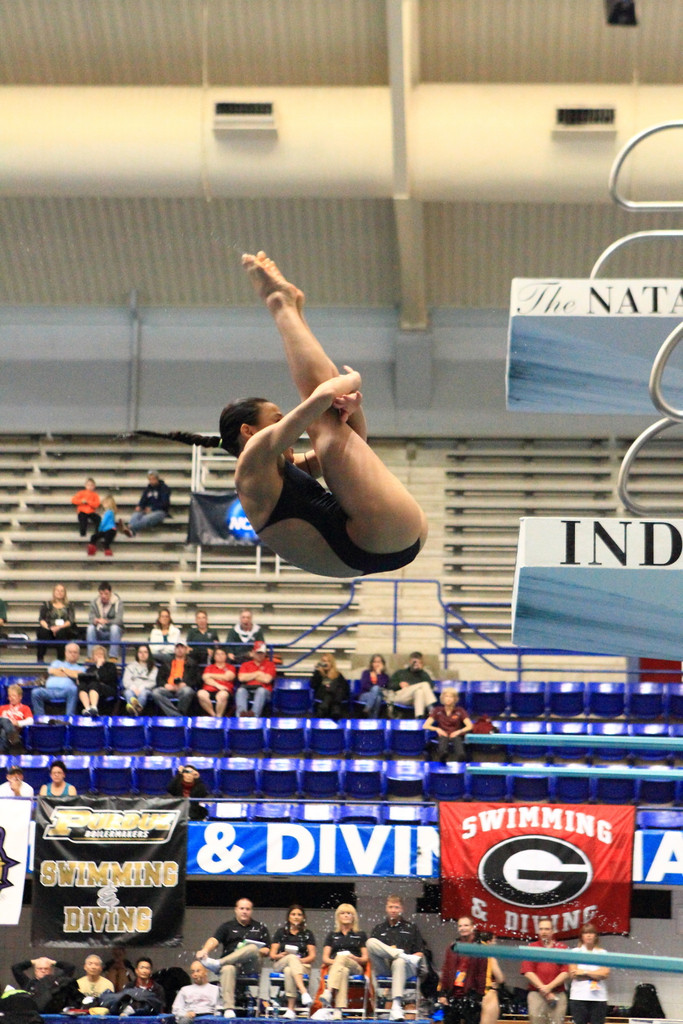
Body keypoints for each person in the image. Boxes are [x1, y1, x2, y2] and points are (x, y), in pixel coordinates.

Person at [136, 250, 427, 578]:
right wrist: (354, 381)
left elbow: (354, 440)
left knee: (331, 422)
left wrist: (352, 408)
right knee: (322, 416)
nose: (284, 422)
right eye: (276, 418)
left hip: (381, 543)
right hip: (374, 540)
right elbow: (322, 400)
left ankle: (288, 308)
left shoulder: (277, 470)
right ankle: (281, 305)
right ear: (249, 431)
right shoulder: (251, 464)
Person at [197, 896, 271, 1018]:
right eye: (242, 908)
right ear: (236, 910)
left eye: (247, 909)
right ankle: (229, 1008)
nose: (244, 911)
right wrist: (205, 950)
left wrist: (260, 950)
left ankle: (218, 963)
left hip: (251, 966)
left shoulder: (260, 927)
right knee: (227, 969)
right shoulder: (227, 926)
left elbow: (267, 949)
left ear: (251, 911)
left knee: (252, 948)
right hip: (231, 965)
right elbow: (214, 940)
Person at [367, 894, 426, 1022]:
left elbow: (420, 953)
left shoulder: (411, 928)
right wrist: (393, 952)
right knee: (370, 942)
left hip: (406, 967)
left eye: (396, 907)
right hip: (385, 967)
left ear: (401, 909)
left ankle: (396, 1005)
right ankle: (400, 954)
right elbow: (373, 950)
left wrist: (406, 958)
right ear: (386, 909)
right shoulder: (379, 929)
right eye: (391, 907)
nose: (393, 910)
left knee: (399, 962)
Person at [320, 903, 368, 1018]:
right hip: (337, 966)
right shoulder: (332, 935)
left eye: (349, 913)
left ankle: (329, 991)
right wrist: (338, 962)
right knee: (343, 970)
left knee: (342, 959)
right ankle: (338, 1009)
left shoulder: (360, 935)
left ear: (353, 917)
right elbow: (325, 958)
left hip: (355, 966)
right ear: (338, 916)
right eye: (343, 913)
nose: (346, 916)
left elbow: (365, 958)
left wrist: (355, 958)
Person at [438, 917, 487, 1024]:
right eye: (460, 926)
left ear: (473, 927)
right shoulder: (452, 946)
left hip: (471, 995)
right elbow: (446, 970)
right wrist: (442, 993)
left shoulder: (480, 948)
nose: (463, 928)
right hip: (452, 994)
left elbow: (482, 973)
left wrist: (479, 996)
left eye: (466, 925)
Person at [270, 904, 316, 1018]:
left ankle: (290, 1009)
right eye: (293, 914)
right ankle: (304, 992)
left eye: (299, 915)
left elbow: (312, 957)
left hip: (302, 965)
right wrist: (280, 955)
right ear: (288, 917)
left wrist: (299, 960)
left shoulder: (307, 934)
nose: (296, 917)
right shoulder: (281, 932)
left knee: (289, 970)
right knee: (291, 958)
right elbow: (272, 955)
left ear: (303, 918)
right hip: (281, 962)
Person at [521, 916, 569, 1024]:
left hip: (558, 995)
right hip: (536, 995)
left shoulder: (562, 948)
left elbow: (565, 972)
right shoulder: (531, 948)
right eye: (541, 929)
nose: (544, 932)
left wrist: (549, 988)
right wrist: (545, 991)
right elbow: (528, 972)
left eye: (547, 929)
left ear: (552, 931)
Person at [568, 923, 610, 1024]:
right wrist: (596, 974)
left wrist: (584, 972)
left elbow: (604, 974)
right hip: (578, 996)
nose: (589, 935)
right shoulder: (574, 952)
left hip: (599, 997)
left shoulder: (603, 953)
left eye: (591, 933)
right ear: (581, 936)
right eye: (586, 933)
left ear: (595, 936)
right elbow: (573, 974)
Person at [31, 641, 82, 716]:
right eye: (70, 652)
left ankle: (69, 718)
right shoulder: (56, 663)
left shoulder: (81, 668)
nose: (72, 654)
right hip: (49, 691)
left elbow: (78, 675)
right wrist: (71, 674)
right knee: (35, 692)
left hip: (66, 691)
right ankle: (40, 718)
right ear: (65, 653)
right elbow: (52, 671)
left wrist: (63, 670)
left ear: (78, 655)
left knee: (74, 689)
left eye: (75, 652)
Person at [11, 957, 78, 1013]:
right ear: (35, 971)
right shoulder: (27, 983)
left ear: (51, 971)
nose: (43, 971)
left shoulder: (57, 982)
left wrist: (53, 962)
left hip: (52, 1015)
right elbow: (16, 968)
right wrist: (34, 962)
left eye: (46, 968)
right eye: (40, 968)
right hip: (34, 1016)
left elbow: (70, 967)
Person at [150, 641, 200, 716]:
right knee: (156, 692)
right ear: (174, 649)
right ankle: (177, 715)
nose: (179, 650)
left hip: (183, 689)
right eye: (177, 647)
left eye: (182, 647)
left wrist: (186, 684)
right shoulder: (167, 662)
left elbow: (197, 680)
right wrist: (165, 685)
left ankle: (175, 715)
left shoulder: (192, 663)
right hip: (168, 689)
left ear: (186, 649)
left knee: (187, 691)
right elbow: (159, 679)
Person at [423, 687, 473, 762]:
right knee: (443, 738)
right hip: (443, 734)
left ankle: (461, 757)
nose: (448, 699)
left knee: (457, 739)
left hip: (456, 734)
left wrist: (459, 731)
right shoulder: (437, 710)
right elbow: (426, 725)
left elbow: (470, 726)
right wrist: (437, 729)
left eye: (451, 697)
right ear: (442, 698)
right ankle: (443, 755)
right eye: (446, 696)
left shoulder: (460, 710)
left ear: (455, 699)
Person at [385, 652, 437, 719]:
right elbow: (389, 685)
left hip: (414, 699)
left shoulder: (423, 674)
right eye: (414, 661)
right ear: (410, 661)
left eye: (418, 661)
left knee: (419, 692)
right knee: (424, 684)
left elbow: (431, 686)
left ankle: (419, 717)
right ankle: (431, 709)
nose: (415, 664)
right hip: (400, 696)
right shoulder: (400, 673)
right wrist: (399, 684)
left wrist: (421, 671)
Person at [119, 470, 171, 536]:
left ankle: (129, 528)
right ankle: (131, 532)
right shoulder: (148, 488)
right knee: (136, 515)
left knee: (146, 518)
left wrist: (152, 508)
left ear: (157, 478)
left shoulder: (164, 488)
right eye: (150, 479)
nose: (151, 481)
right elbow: (143, 499)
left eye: (153, 479)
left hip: (160, 511)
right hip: (147, 509)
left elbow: (165, 503)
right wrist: (140, 506)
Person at [36, 583, 79, 663]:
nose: (59, 592)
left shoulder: (69, 605)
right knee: (42, 632)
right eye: (57, 590)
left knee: (61, 633)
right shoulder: (47, 605)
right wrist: (49, 628)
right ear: (54, 592)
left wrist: (59, 627)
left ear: (65, 593)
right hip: (49, 628)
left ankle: (61, 659)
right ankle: (40, 659)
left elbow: (71, 620)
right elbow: (41, 619)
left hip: (64, 629)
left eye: (62, 591)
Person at [235, 640, 277, 718]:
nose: (260, 655)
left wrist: (249, 677)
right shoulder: (245, 665)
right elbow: (241, 678)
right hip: (247, 689)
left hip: (264, 690)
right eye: (258, 653)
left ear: (265, 654)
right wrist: (258, 673)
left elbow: (267, 680)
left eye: (262, 653)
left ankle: (254, 716)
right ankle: (241, 715)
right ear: (253, 652)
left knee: (260, 691)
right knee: (240, 691)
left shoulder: (270, 665)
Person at [77, 643, 119, 716]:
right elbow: (87, 679)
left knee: (94, 683)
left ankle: (94, 707)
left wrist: (99, 667)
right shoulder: (90, 668)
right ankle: (87, 708)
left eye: (101, 654)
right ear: (93, 657)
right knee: (82, 685)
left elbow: (105, 678)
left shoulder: (111, 666)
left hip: (108, 688)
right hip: (93, 688)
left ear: (105, 656)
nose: (99, 656)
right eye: (97, 654)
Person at [86, 581, 124, 659]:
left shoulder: (117, 602)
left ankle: (113, 656)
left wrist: (106, 621)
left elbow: (119, 620)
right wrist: (95, 620)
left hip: (112, 632)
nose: (103, 596)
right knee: (90, 628)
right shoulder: (94, 602)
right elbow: (90, 619)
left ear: (110, 593)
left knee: (115, 628)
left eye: (106, 594)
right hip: (99, 630)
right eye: (101, 594)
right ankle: (91, 656)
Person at [198, 647, 236, 717]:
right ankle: (214, 715)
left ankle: (219, 716)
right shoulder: (209, 667)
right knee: (201, 694)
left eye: (222, 654)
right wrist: (218, 685)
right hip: (209, 689)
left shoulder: (231, 667)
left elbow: (228, 677)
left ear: (226, 656)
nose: (220, 656)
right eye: (217, 654)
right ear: (214, 656)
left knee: (222, 695)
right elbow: (205, 678)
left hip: (225, 690)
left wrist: (211, 676)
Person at [122, 643, 158, 715]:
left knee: (143, 693)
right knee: (128, 692)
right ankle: (137, 710)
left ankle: (134, 711)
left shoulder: (153, 668)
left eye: (145, 652)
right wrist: (133, 688)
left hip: (147, 690)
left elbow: (153, 682)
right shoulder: (130, 666)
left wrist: (142, 687)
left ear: (149, 654)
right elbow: (126, 680)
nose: (143, 654)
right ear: (137, 654)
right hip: (132, 688)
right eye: (140, 652)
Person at [311, 653, 349, 720]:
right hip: (322, 695)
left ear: (332, 663)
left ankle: (325, 705)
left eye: (328, 661)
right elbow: (313, 685)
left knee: (338, 686)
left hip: (332, 698)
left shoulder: (338, 674)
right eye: (324, 661)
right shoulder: (318, 674)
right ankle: (335, 707)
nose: (326, 663)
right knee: (334, 686)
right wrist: (318, 673)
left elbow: (346, 688)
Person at [0, 681, 34, 750]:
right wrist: (7, 722)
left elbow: (30, 721)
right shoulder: (2, 707)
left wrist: (17, 723)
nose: (11, 698)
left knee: (3, 732)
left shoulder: (25, 708)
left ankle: (2, 754)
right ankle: (15, 741)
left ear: (20, 697)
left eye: (14, 696)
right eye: (9, 696)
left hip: (12, 731)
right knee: (4, 720)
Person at [357, 654, 389, 718]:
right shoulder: (366, 673)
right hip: (365, 695)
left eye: (379, 662)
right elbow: (364, 685)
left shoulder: (385, 676)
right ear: (371, 663)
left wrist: (379, 674)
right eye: (375, 662)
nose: (377, 664)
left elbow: (383, 686)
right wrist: (374, 689)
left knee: (378, 698)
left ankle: (368, 709)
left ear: (383, 664)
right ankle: (374, 719)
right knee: (376, 689)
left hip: (379, 696)